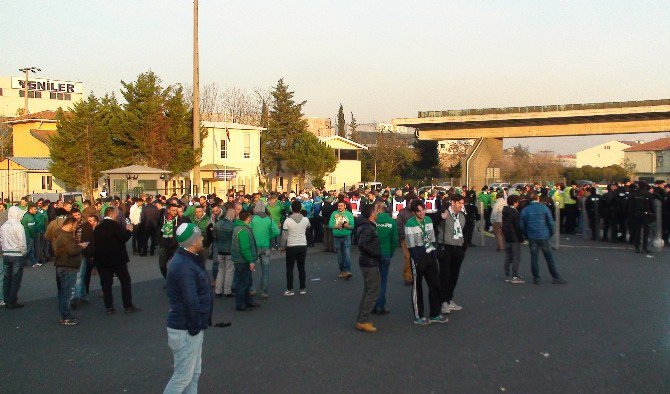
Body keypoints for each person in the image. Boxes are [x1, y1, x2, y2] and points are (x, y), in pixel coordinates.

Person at [164, 223, 213, 393]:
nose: (202, 239)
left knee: (194, 373)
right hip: (186, 328)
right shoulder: (185, 266)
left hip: (188, 327)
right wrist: (195, 327)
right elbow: (191, 301)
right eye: (199, 237)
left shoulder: (186, 260)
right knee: (183, 377)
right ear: (192, 242)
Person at [405, 200, 447, 325]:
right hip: (418, 256)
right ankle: (418, 315)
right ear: (414, 212)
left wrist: (433, 254)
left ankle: (434, 313)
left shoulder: (428, 220)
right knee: (417, 288)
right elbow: (410, 245)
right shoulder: (409, 224)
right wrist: (417, 259)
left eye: (423, 209)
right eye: (419, 210)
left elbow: (432, 238)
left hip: (430, 255)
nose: (422, 212)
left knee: (435, 284)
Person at [94, 207, 142, 314]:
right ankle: (127, 305)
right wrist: (129, 230)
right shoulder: (115, 226)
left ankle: (109, 306)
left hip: (102, 259)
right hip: (117, 258)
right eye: (116, 214)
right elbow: (123, 239)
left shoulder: (98, 227)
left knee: (106, 283)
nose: (117, 216)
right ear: (113, 214)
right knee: (125, 281)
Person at [520, 192, 566, 285]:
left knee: (534, 258)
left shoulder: (525, 210)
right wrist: (551, 232)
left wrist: (526, 234)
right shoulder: (544, 208)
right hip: (544, 235)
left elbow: (521, 225)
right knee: (549, 257)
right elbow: (550, 222)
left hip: (532, 236)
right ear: (538, 199)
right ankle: (555, 277)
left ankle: (536, 278)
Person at [436, 194, 467, 316]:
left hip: (458, 248)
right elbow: (432, 221)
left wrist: (464, 245)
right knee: (445, 275)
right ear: (453, 202)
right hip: (445, 247)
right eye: (459, 203)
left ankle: (449, 299)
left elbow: (466, 231)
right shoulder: (444, 213)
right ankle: (443, 301)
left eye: (462, 203)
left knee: (454, 276)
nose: (461, 205)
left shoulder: (462, 216)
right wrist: (440, 217)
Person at [53, 217, 87, 325]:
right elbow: (72, 251)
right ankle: (66, 317)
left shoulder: (60, 235)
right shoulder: (66, 237)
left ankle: (65, 315)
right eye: (75, 225)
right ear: (71, 224)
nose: (76, 227)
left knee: (63, 292)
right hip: (67, 266)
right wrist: (81, 246)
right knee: (66, 293)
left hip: (63, 265)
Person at [354, 205, 382, 333]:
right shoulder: (368, 227)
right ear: (371, 213)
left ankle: (362, 318)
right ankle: (363, 320)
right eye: (376, 211)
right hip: (369, 262)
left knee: (368, 291)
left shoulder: (364, 225)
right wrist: (375, 253)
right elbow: (362, 244)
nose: (377, 213)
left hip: (367, 261)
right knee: (373, 291)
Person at [280, 200, 311, 296]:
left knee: (290, 268)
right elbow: (308, 228)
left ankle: (290, 289)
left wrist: (282, 247)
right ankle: (302, 288)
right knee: (301, 267)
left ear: (291, 209)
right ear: (300, 208)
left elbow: (284, 235)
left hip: (291, 245)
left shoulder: (287, 221)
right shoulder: (306, 219)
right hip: (302, 245)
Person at [231, 210, 260, 311]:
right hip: (242, 260)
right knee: (242, 283)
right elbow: (244, 248)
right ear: (248, 217)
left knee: (246, 282)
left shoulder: (238, 228)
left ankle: (247, 301)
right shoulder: (243, 230)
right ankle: (241, 304)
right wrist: (250, 261)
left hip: (240, 259)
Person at [250, 202, 280, 299]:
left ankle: (251, 288)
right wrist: (268, 236)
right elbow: (277, 231)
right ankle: (264, 291)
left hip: (254, 246)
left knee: (250, 268)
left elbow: (247, 229)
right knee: (265, 269)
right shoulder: (269, 219)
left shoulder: (252, 218)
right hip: (265, 246)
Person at [372, 201, 397, 315]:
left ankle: (372, 305)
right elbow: (394, 240)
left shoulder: (373, 221)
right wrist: (391, 252)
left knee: (372, 281)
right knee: (383, 281)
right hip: (386, 252)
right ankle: (380, 306)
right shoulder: (391, 221)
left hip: (374, 253)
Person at [1, 206, 27, 308]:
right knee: (16, 278)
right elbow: (22, 242)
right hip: (17, 254)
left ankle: (6, 299)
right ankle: (12, 300)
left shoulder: (4, 226)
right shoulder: (19, 226)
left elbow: (1, 240)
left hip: (6, 254)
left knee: (7, 278)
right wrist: (24, 252)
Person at [158, 204, 189, 279]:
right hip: (165, 246)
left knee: (175, 266)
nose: (175, 212)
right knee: (162, 265)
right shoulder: (163, 219)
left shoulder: (181, 221)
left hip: (176, 246)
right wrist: (160, 241)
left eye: (176, 210)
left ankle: (174, 282)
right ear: (168, 210)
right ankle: (168, 279)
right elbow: (158, 231)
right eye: (173, 210)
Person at [329, 201, 355, 279]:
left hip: (346, 236)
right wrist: (337, 226)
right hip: (337, 237)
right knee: (340, 256)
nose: (339, 207)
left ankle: (347, 271)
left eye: (341, 205)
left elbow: (352, 226)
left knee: (347, 255)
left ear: (345, 206)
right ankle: (342, 271)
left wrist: (347, 225)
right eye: (338, 206)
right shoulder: (334, 214)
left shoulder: (349, 214)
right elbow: (330, 225)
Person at [502, 195, 525, 284]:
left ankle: (507, 274)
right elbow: (517, 227)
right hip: (514, 237)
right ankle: (515, 275)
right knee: (516, 257)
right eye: (518, 202)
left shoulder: (505, 211)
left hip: (507, 236)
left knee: (508, 255)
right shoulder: (515, 213)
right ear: (515, 203)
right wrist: (521, 237)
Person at [214, 208, 235, 297]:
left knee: (220, 270)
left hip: (220, 249)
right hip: (229, 250)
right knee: (229, 271)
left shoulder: (218, 224)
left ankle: (218, 290)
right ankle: (227, 290)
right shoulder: (232, 226)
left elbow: (214, 235)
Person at [630, 181, 655, 254]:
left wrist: (632, 213)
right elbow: (651, 205)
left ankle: (637, 247)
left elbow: (631, 205)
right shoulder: (648, 194)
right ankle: (644, 247)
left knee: (637, 231)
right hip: (646, 214)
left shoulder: (634, 194)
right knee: (646, 231)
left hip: (636, 214)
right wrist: (653, 214)